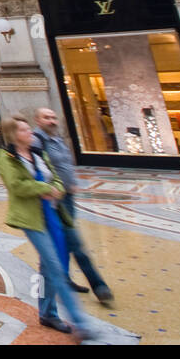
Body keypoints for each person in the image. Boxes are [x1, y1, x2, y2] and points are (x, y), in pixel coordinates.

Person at [0, 116, 96, 339]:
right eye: (24, 130)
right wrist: (44, 187)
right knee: (55, 266)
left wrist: (57, 188)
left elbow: (56, 177)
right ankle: (80, 322)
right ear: (13, 134)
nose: (30, 132)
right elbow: (15, 185)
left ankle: (48, 312)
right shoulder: (7, 157)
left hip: (52, 214)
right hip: (32, 218)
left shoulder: (37, 153)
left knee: (47, 267)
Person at [33, 106, 113, 306]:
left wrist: (71, 184)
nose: (52, 120)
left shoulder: (58, 139)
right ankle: (99, 286)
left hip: (67, 197)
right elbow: (37, 170)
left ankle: (63, 280)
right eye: (47, 117)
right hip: (53, 201)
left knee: (63, 244)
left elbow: (65, 165)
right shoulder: (37, 141)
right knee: (74, 243)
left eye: (53, 116)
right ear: (37, 120)